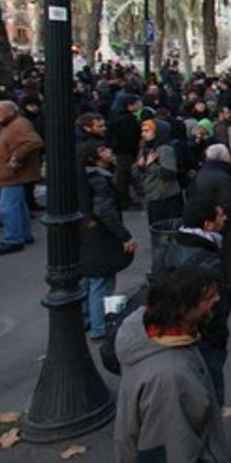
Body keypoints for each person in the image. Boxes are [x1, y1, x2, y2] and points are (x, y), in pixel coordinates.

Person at [114, 265, 229, 463]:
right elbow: (171, 452)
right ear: (183, 307)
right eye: (208, 297)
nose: (217, 300)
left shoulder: (159, 337)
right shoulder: (170, 377)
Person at [158, 197, 231, 404]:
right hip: (203, 339)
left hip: (177, 333)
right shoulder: (208, 261)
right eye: (220, 215)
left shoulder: (170, 247)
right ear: (208, 224)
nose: (224, 218)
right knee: (209, 395)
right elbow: (218, 306)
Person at [78, 141, 137, 340]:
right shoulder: (98, 179)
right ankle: (100, 325)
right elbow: (105, 210)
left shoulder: (82, 177)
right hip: (101, 237)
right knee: (101, 282)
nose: (109, 151)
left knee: (89, 279)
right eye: (103, 150)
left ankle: (87, 319)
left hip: (86, 234)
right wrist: (124, 235)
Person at [191, 144, 231, 311]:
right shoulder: (224, 178)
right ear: (224, 158)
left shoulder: (202, 174)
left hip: (209, 222)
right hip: (228, 225)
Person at [0, 100, 43, 255]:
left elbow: (33, 141)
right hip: (11, 174)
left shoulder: (18, 124)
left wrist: (15, 159)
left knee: (7, 207)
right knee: (17, 205)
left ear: (11, 111)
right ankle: (24, 235)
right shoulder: (14, 124)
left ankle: (13, 239)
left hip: (12, 175)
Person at [135, 119, 184, 226]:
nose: (143, 134)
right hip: (152, 196)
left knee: (166, 231)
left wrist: (150, 166)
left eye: (147, 131)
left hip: (166, 197)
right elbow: (138, 174)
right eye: (142, 131)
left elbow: (169, 173)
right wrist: (140, 166)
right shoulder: (145, 149)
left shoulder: (164, 149)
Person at [107, 93, 143, 208]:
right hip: (126, 151)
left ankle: (125, 199)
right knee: (124, 177)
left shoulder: (117, 118)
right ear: (130, 106)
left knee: (123, 177)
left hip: (120, 151)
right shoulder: (129, 120)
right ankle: (124, 200)